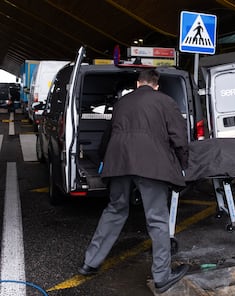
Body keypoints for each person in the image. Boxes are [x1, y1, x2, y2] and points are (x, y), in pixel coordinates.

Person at [78, 69, 190, 294]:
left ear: (138, 84)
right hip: (151, 165)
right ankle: (162, 276)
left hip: (118, 162)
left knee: (115, 209)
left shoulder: (122, 102)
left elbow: (108, 136)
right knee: (157, 218)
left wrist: (103, 160)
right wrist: (183, 164)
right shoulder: (165, 101)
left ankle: (90, 262)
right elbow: (179, 137)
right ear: (156, 85)